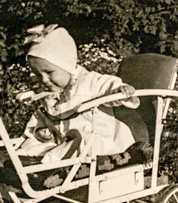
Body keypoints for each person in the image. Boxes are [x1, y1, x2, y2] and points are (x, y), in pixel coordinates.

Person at [18, 24, 140, 162]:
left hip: (95, 143)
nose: (44, 80)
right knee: (32, 143)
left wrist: (119, 89)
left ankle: (42, 169)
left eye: (49, 72)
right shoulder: (49, 94)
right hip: (62, 142)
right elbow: (41, 117)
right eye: (38, 75)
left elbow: (107, 85)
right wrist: (40, 130)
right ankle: (16, 161)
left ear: (67, 65)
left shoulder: (89, 81)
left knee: (78, 141)